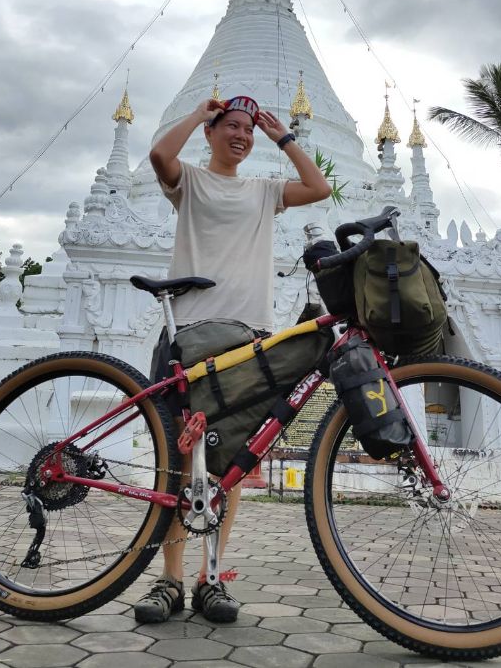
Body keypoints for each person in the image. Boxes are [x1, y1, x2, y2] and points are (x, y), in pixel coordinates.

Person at [133, 94, 331, 624]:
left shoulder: (265, 191)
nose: (240, 135)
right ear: (213, 133)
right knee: (178, 464)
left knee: (231, 468)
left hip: (247, 340)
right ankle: (168, 581)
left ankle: (210, 577)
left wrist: (282, 137)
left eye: (247, 129)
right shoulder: (191, 182)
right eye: (231, 127)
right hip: (190, 334)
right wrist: (199, 112)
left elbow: (319, 187)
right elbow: (158, 156)